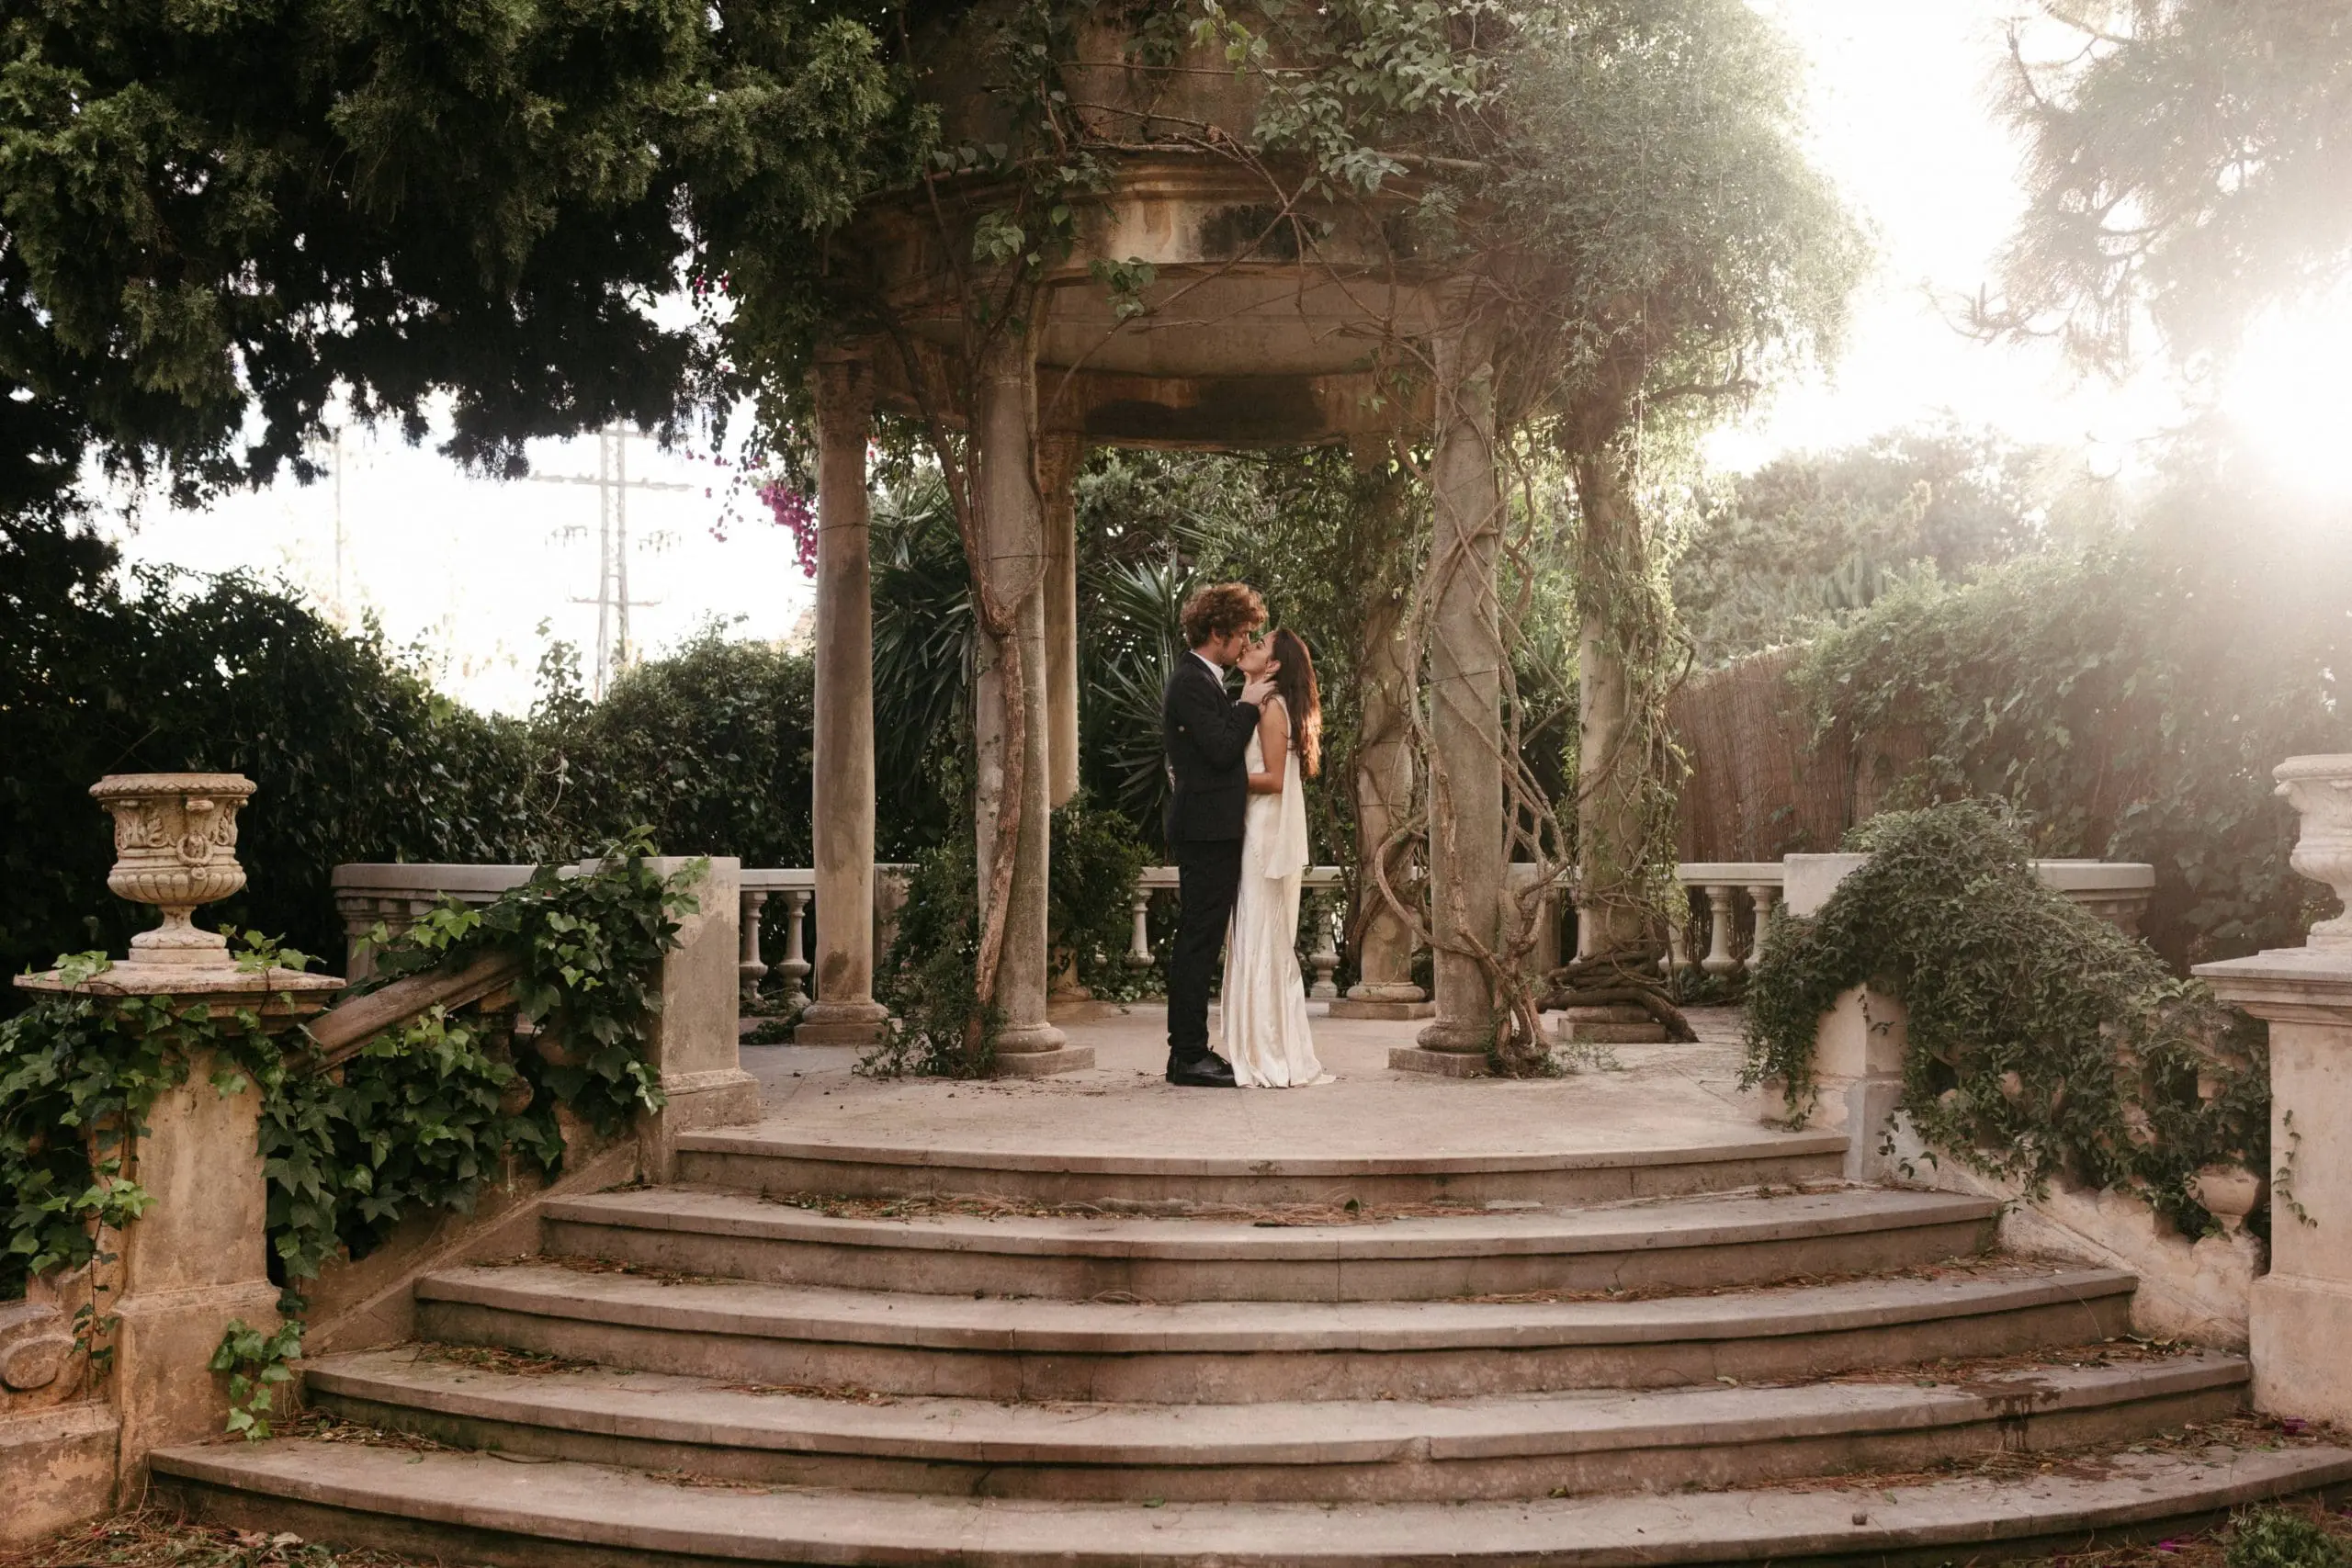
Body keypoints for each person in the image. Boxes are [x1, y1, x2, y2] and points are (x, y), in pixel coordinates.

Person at [1160, 582, 1275, 1087]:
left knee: (1202, 940)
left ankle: (1190, 1050)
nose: (1246, 642)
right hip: (1204, 831)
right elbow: (1223, 750)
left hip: (1213, 828)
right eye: (1243, 634)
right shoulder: (1190, 681)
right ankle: (1187, 1054)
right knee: (1197, 941)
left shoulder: (1205, 681)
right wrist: (1249, 702)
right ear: (1217, 633)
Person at [1216, 627, 1332, 1087]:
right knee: (1259, 931)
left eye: (1259, 645)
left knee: (1259, 933)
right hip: (1260, 824)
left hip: (1262, 829)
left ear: (1276, 665)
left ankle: (1267, 1049)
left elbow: (1274, 780)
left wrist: (1219, 779)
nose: (1248, 647)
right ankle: (1268, 1044)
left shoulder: (1270, 709)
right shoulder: (1270, 702)